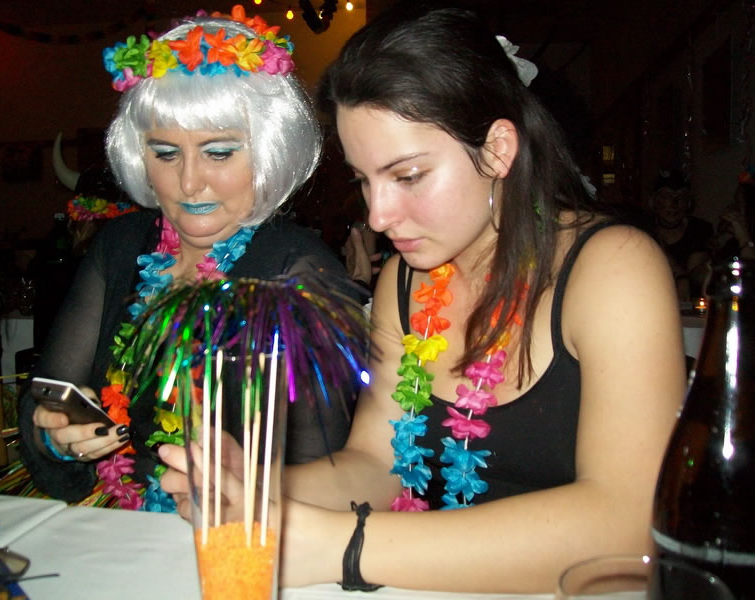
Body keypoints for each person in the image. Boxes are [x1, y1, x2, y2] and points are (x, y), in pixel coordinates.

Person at [159, 0, 685, 592]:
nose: (378, 216)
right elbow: (378, 463)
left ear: (497, 150)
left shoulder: (613, 268)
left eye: (407, 175)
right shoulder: (402, 281)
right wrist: (259, 489)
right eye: (364, 180)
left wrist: (344, 547)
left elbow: (630, 522)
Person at [16, 5, 358, 510]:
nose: (190, 182)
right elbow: (45, 397)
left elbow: (328, 474)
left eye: (218, 153)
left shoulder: (299, 270)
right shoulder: (120, 245)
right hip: (111, 518)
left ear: (268, 153)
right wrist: (57, 437)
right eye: (166, 153)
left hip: (236, 537)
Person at [649, 169, 713, 300]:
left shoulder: (699, 229)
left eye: (681, 197)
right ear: (654, 200)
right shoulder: (644, 228)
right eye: (667, 196)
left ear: (688, 203)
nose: (674, 204)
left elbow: (696, 274)